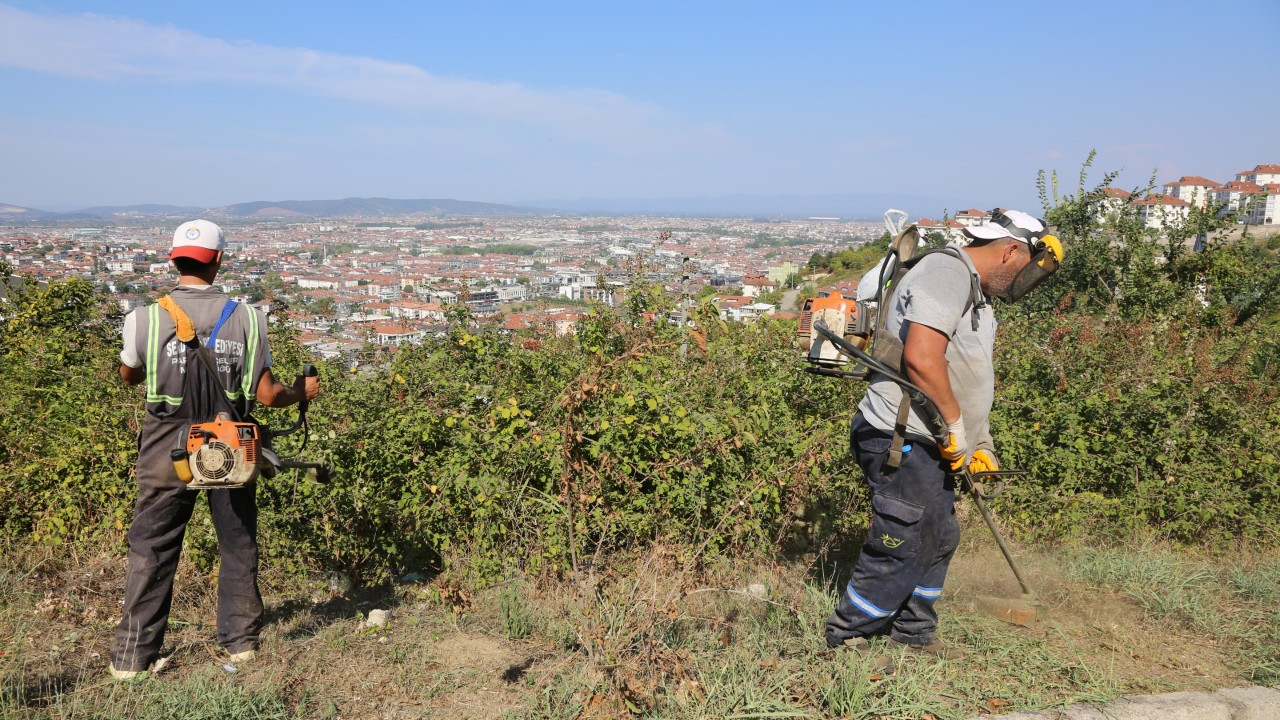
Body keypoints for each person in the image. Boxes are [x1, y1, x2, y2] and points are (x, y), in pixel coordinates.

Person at [824, 210, 1063, 662]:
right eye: (1023, 268)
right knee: (906, 536)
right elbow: (921, 358)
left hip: (934, 436)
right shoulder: (947, 272)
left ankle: (913, 633)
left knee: (940, 534)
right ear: (1010, 250)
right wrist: (956, 428)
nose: (1021, 281)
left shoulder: (976, 296)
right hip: (901, 433)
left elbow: (968, 377)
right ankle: (846, 637)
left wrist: (980, 444)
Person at [109, 219, 320, 679]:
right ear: (219, 260)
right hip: (229, 440)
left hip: (166, 446)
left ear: (173, 259)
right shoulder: (248, 319)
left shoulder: (142, 318)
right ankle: (241, 643)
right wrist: (301, 392)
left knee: (152, 547)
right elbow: (267, 395)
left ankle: (131, 659)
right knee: (238, 540)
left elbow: (129, 375)